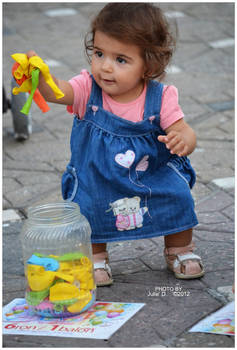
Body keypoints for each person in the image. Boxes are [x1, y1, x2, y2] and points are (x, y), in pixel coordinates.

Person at [26, 3, 204, 286]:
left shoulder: (161, 97)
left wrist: (184, 139)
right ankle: (96, 257)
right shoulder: (87, 89)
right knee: (89, 208)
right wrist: (41, 79)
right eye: (98, 54)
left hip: (149, 176)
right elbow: (59, 92)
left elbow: (182, 128)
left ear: (149, 65)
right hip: (98, 177)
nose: (105, 67)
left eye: (121, 59)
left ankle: (179, 250)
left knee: (178, 196)